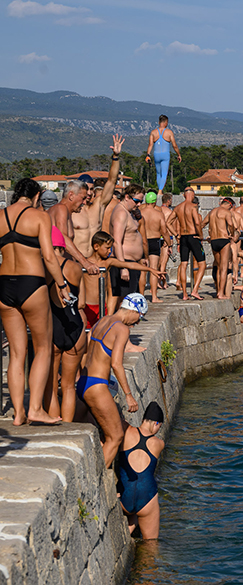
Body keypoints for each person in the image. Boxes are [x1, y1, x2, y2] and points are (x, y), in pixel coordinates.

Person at [0, 179, 71, 425]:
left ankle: (18, 413)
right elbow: (49, 257)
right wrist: (62, 285)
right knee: (42, 347)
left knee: (17, 353)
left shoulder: (0, 217)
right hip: (31, 284)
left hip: (5, 286)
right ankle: (35, 409)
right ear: (37, 196)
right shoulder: (40, 217)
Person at [79, 293, 147, 467]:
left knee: (98, 433)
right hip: (96, 386)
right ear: (133, 311)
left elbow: (85, 351)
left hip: (83, 382)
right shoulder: (122, 329)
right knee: (116, 436)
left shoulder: (101, 321)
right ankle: (96, 486)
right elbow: (116, 364)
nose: (137, 322)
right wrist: (129, 395)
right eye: (139, 317)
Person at [43, 229, 86, 423]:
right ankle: (68, 426)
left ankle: (53, 422)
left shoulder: (43, 267)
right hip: (75, 327)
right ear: (62, 247)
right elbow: (82, 303)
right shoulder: (75, 267)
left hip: (52, 327)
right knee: (69, 385)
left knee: (52, 384)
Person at [117, 401, 166, 540]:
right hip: (146, 498)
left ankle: (132, 524)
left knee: (133, 497)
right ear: (156, 423)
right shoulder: (159, 444)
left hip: (124, 499)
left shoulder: (126, 431)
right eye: (159, 427)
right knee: (151, 545)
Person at [72, 138, 123, 258]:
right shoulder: (70, 211)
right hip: (77, 262)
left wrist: (115, 157)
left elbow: (111, 181)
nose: (89, 193)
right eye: (85, 189)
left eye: (91, 189)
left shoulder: (98, 206)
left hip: (96, 262)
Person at [47, 179, 100, 275]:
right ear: (71, 196)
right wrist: (85, 262)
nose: (84, 202)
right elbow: (62, 238)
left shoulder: (66, 212)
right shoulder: (61, 208)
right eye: (83, 198)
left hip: (62, 266)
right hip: (57, 269)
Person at [173, 188, 206, 300]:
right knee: (202, 264)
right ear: (193, 195)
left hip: (183, 237)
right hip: (193, 236)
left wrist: (176, 235)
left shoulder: (177, 208)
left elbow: (168, 222)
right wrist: (200, 235)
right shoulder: (193, 207)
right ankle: (195, 290)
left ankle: (184, 294)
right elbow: (197, 222)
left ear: (183, 195)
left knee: (183, 264)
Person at [139, 192, 169, 303]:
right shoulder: (159, 214)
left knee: (143, 270)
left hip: (142, 241)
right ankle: (154, 297)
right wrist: (168, 243)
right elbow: (164, 231)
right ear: (155, 201)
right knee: (154, 270)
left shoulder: (140, 213)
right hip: (155, 240)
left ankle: (141, 296)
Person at [207, 198, 237, 300]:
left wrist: (202, 236)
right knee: (224, 268)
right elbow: (231, 224)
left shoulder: (212, 212)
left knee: (219, 267)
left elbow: (202, 224)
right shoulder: (226, 212)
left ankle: (218, 291)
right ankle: (221, 293)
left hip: (214, 240)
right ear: (229, 205)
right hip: (224, 239)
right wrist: (232, 234)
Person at [145, 115, 181, 191]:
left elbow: (150, 145)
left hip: (156, 155)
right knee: (164, 174)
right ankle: (160, 191)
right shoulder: (169, 132)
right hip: (165, 155)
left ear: (159, 122)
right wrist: (178, 154)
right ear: (166, 122)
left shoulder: (153, 132)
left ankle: (159, 189)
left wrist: (148, 155)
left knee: (158, 174)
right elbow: (174, 145)